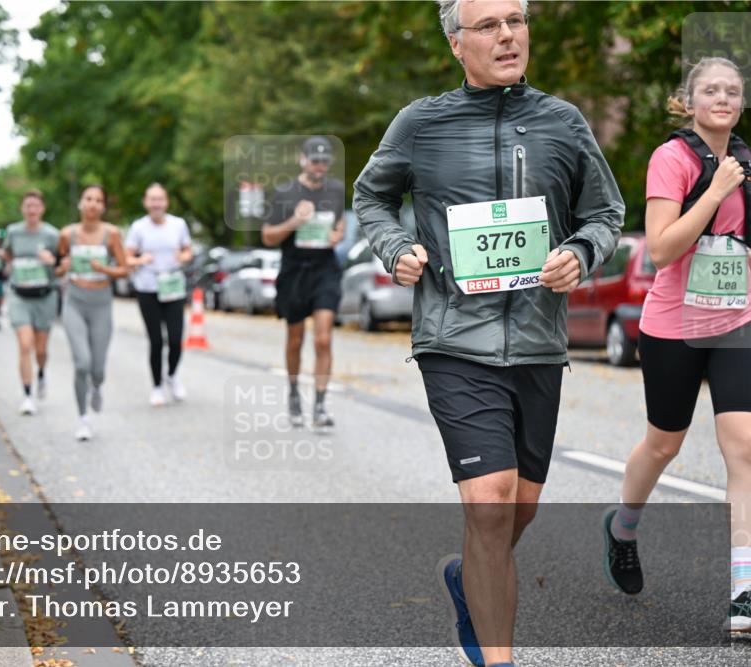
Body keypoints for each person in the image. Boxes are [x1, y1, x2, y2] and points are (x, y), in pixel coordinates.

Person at [353, 2, 624, 665]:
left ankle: (468, 581)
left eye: (517, 20)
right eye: (488, 25)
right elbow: (371, 196)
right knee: (490, 501)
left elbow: (606, 210)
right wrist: (397, 247)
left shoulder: (563, 123)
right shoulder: (422, 123)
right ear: (456, 44)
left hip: (536, 341)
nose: (508, 35)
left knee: (517, 510)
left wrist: (581, 252)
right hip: (453, 338)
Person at [601, 56, 751, 635]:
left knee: (743, 446)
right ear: (688, 102)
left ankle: (742, 588)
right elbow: (661, 250)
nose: (723, 99)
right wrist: (713, 192)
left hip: (737, 323)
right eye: (710, 90)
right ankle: (623, 527)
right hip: (674, 326)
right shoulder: (674, 159)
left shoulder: (748, 160)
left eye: (732, 91)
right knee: (664, 445)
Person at [262, 136, 346, 431]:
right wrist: (293, 223)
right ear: (303, 160)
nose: (320, 166)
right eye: (315, 161)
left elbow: (339, 223)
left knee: (323, 338)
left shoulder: (335, 190)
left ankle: (320, 405)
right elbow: (268, 236)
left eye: (324, 161)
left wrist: (338, 234)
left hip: (324, 268)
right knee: (295, 339)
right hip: (294, 271)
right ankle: (294, 392)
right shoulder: (285, 193)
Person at [56, 185, 130, 440]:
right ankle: (83, 418)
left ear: (103, 207)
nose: (93, 204)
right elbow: (56, 268)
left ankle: (96, 386)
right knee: (82, 362)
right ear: (80, 203)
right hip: (75, 301)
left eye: (99, 200)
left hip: (101, 303)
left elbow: (124, 269)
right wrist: (61, 266)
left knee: (97, 368)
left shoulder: (111, 234)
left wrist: (105, 269)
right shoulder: (67, 234)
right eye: (88, 199)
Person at [124, 183, 194, 406]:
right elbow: (127, 258)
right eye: (152, 199)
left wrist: (183, 257)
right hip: (148, 288)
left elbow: (188, 250)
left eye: (160, 199)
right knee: (156, 340)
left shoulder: (178, 224)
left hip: (173, 285)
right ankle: (156, 386)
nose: (156, 204)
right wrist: (140, 260)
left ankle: (172, 375)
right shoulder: (138, 227)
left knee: (175, 339)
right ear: (146, 202)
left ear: (166, 202)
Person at [3, 190, 61, 416]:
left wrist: (52, 261)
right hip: (20, 295)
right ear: (22, 209)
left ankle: (42, 372)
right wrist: (16, 267)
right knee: (24, 345)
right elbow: (8, 254)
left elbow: (62, 263)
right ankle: (27, 395)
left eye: (36, 206)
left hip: (45, 296)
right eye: (28, 206)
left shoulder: (52, 235)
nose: (32, 210)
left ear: (42, 209)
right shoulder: (13, 232)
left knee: (40, 349)